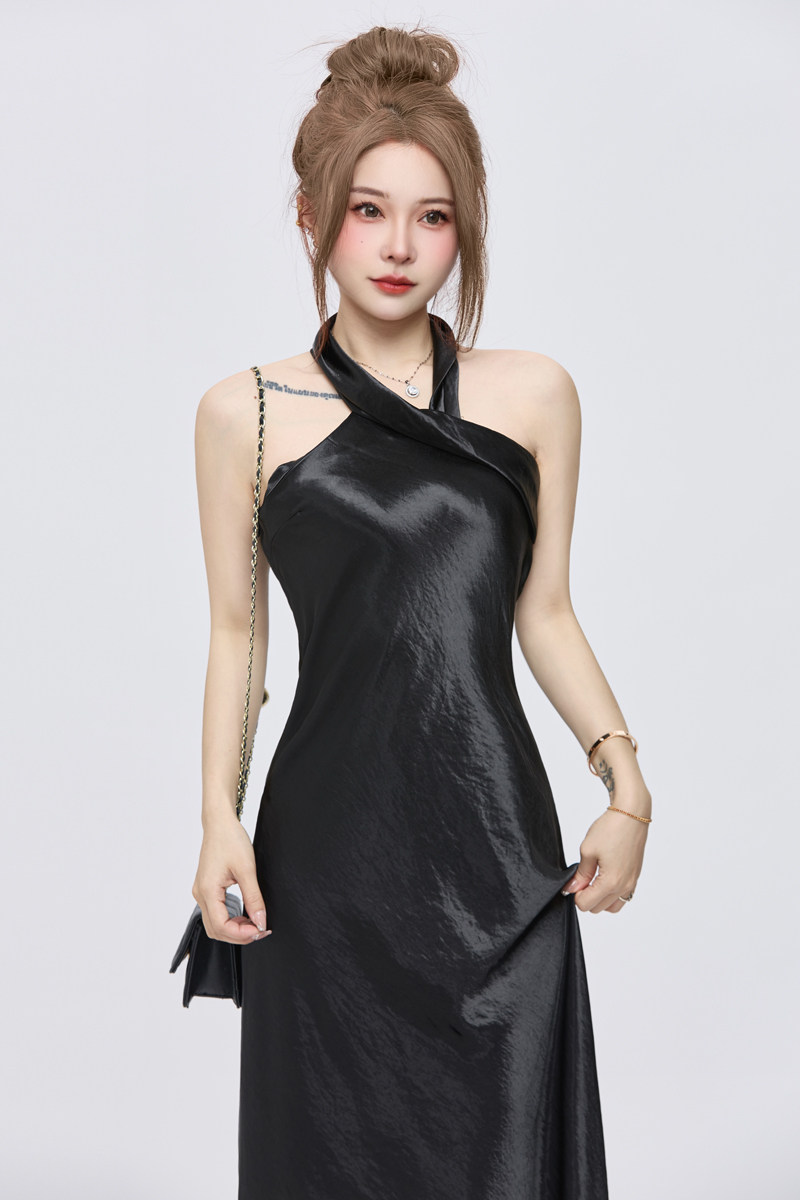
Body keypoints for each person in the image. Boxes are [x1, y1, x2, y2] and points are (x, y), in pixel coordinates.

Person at [191, 24, 652, 1200]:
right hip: (326, 865)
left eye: (433, 217)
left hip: (492, 852)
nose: (399, 247)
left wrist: (623, 784)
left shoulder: (532, 394)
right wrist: (217, 820)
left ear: (464, 229)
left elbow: (543, 611)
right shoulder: (244, 414)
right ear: (311, 215)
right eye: (368, 211)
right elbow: (240, 636)